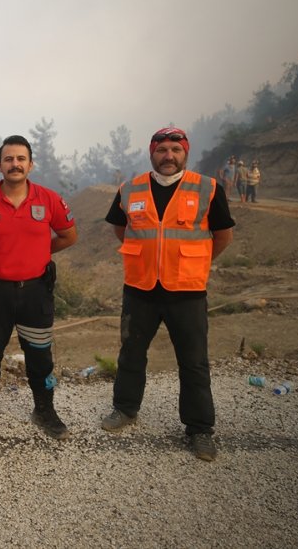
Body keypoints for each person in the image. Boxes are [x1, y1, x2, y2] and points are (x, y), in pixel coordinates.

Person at [100, 127, 234, 461]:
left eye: (175, 149)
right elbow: (121, 229)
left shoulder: (208, 188)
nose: (168, 156)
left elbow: (223, 235)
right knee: (131, 354)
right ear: (151, 153)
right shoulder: (129, 189)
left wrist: (195, 262)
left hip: (187, 292)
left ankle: (200, 429)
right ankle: (125, 409)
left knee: (193, 362)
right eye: (162, 150)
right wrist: (148, 255)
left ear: (185, 153)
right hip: (140, 289)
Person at [0, 134, 78, 439]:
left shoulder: (49, 200)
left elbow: (68, 236)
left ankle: (44, 409)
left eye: (21, 159)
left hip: (35, 292)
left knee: (39, 354)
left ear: (31, 164)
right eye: (9, 159)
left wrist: (40, 254)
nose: (15, 164)